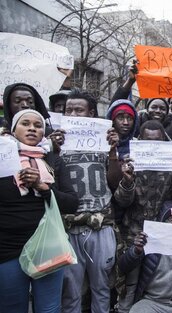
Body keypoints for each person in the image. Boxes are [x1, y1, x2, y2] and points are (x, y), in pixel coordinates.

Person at [0, 109, 78, 313]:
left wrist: (42, 187)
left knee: (49, 308)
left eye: (38, 125)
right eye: (25, 124)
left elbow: (71, 204)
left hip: (48, 247)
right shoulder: (2, 158)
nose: (32, 128)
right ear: (13, 129)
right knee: (11, 307)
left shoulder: (53, 160)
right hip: (8, 249)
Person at [112, 120, 172, 313]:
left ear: (164, 140)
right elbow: (121, 202)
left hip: (164, 235)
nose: (153, 144)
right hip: (134, 233)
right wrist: (127, 181)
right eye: (148, 140)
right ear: (140, 141)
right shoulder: (130, 163)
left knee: (157, 280)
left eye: (157, 141)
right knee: (130, 284)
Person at [60, 89, 121, 313]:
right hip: (68, 227)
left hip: (100, 225)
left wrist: (113, 151)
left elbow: (115, 182)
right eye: (69, 110)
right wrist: (53, 149)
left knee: (102, 286)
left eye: (79, 110)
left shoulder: (103, 140)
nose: (73, 114)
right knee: (71, 291)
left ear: (91, 113)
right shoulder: (57, 141)